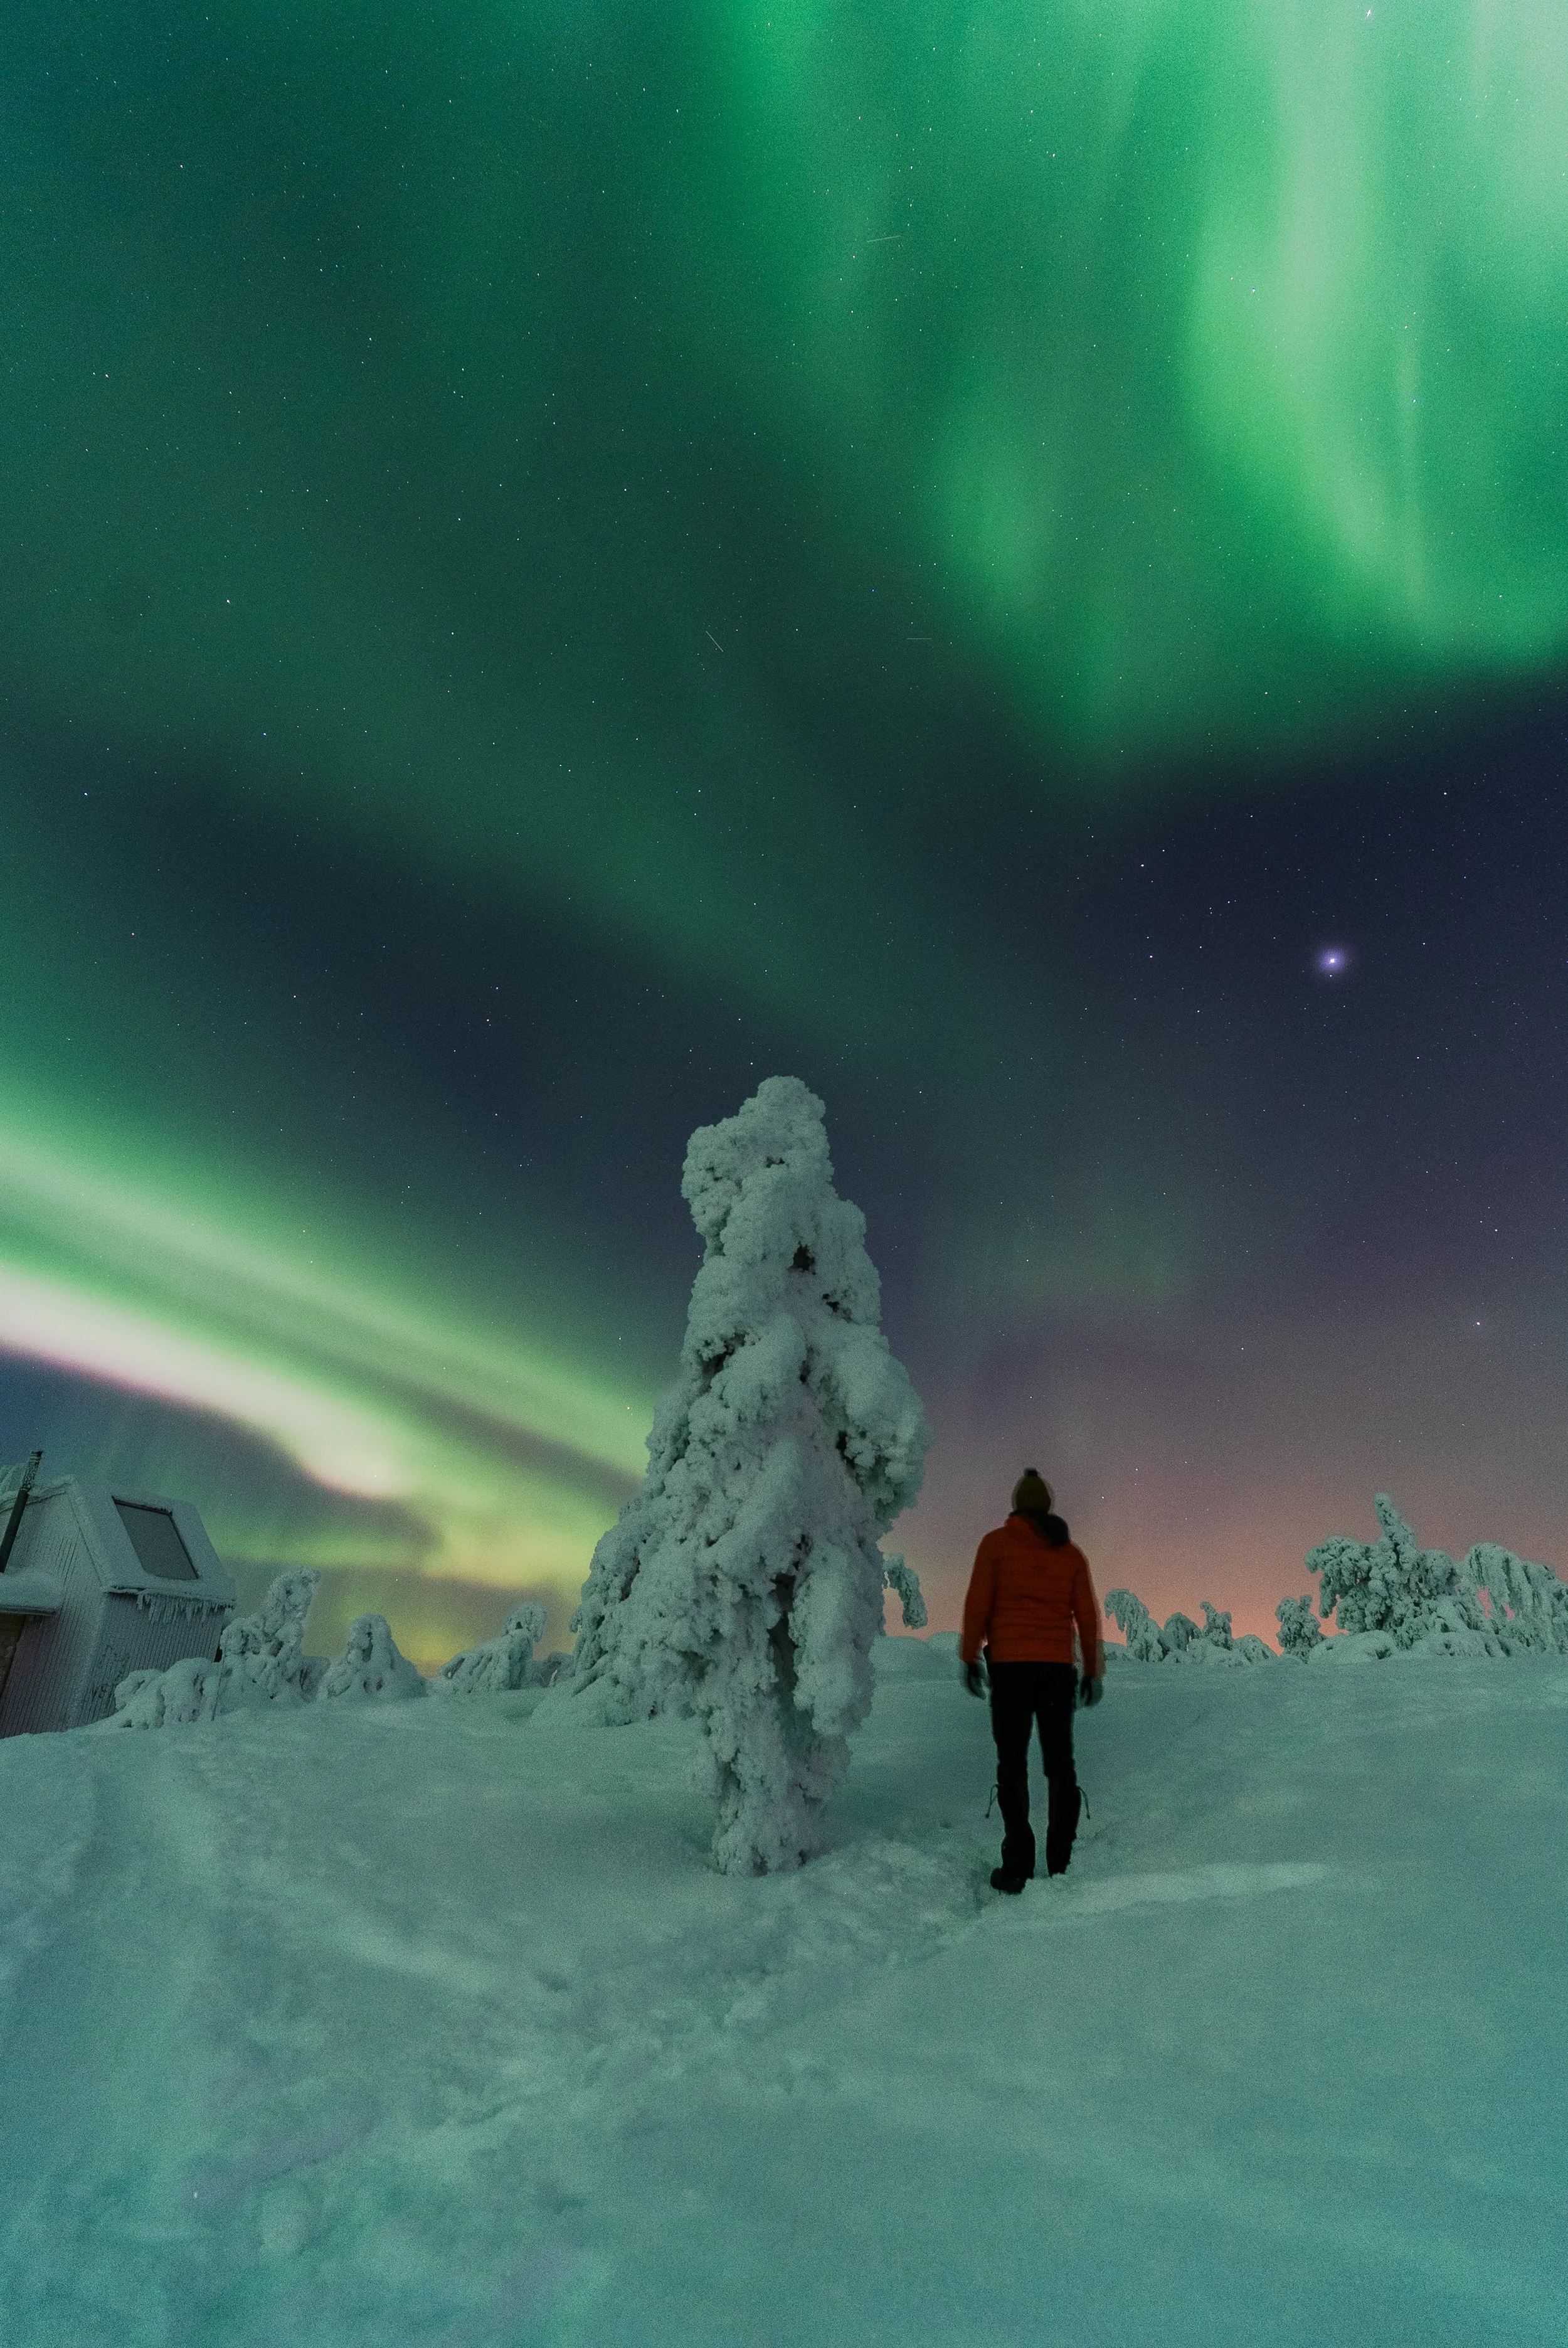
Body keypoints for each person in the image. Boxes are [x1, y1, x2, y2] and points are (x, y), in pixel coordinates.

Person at [960, 1469, 1103, 1893]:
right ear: (1047, 1505)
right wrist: (1093, 1669)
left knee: (1012, 1763)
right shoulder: (1070, 1553)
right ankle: (1060, 1862)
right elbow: (1088, 1616)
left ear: (1018, 1503)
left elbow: (977, 1604)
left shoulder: (996, 1545)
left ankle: (1018, 1866)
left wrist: (969, 1656)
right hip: (1057, 1670)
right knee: (1060, 1764)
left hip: (1010, 1670)